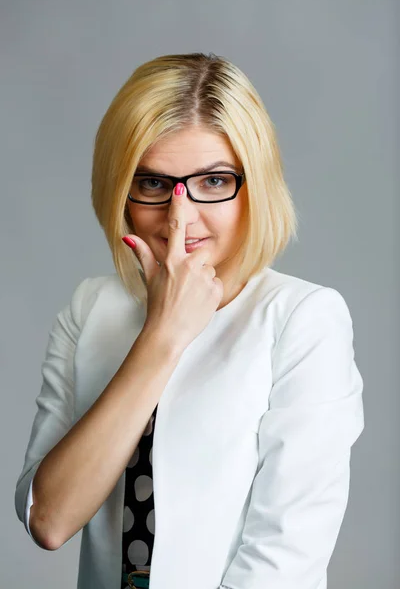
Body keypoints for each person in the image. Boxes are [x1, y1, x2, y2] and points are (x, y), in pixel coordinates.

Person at [14, 52, 365, 589]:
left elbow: (283, 563)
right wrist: (163, 335)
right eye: (152, 184)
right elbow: (49, 518)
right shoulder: (90, 310)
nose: (180, 216)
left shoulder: (302, 320)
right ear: (121, 191)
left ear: (256, 186)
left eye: (214, 180)